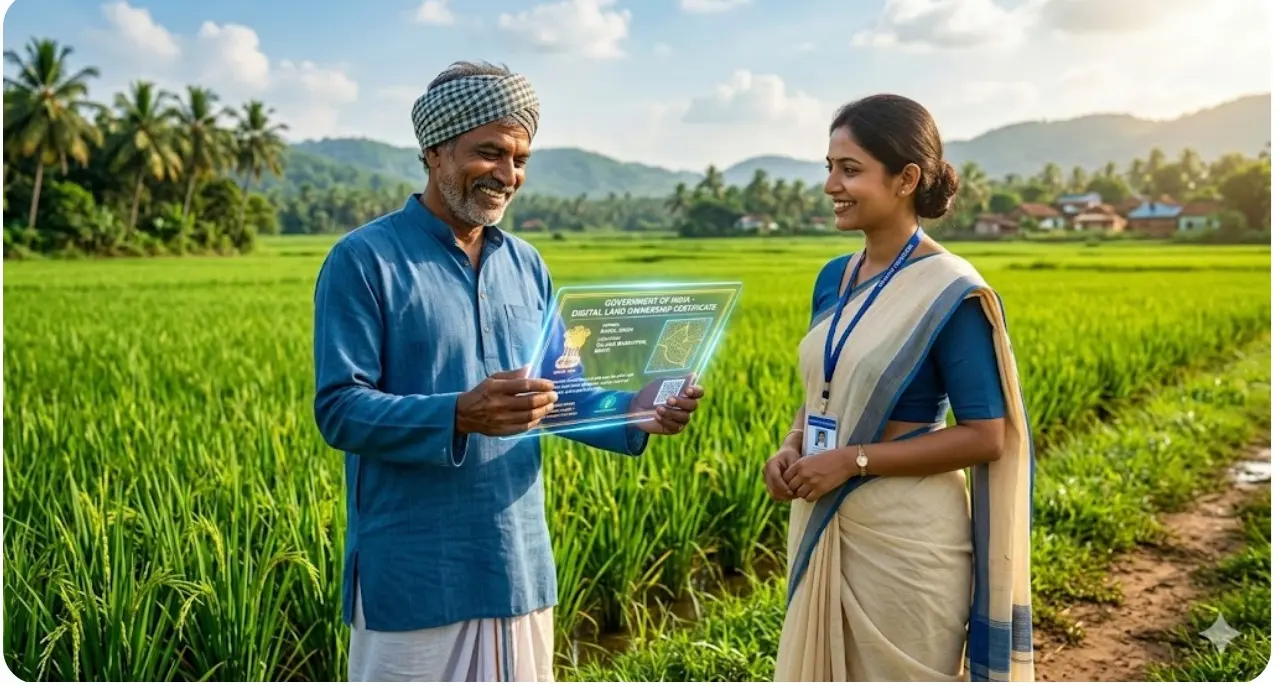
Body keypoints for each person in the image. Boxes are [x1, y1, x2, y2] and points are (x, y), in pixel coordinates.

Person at [312, 60, 704, 682]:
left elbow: (560, 396)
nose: (507, 174)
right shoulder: (364, 260)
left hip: (517, 563)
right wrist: (459, 413)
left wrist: (639, 409)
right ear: (434, 150)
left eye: (520, 158)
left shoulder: (526, 265)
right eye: (489, 152)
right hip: (414, 572)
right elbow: (339, 408)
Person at [762, 93, 1035, 682]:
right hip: (824, 515)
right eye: (829, 167)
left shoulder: (950, 291)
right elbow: (825, 391)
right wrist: (791, 446)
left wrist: (853, 461)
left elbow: (987, 437)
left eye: (850, 169)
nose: (832, 184)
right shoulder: (834, 278)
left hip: (906, 542)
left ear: (907, 178)